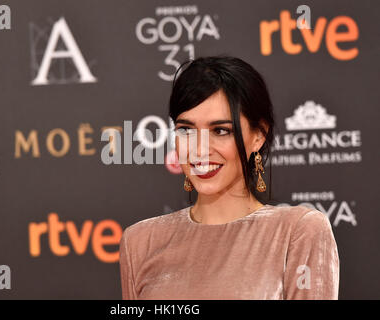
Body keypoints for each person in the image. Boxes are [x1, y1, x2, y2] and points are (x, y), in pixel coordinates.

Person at [119, 55, 339, 299]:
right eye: (186, 129)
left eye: (221, 131)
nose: (200, 150)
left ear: (259, 135)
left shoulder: (298, 232)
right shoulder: (140, 242)